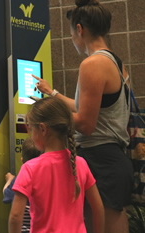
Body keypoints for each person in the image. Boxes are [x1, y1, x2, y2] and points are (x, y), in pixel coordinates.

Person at [32, 0, 134, 232]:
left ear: (80, 29)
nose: (73, 41)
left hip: (100, 159)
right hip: (112, 159)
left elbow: (86, 124)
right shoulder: (116, 62)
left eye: (71, 35)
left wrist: (48, 120)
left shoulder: (92, 64)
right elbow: (87, 109)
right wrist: (52, 94)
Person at [9, 97, 104, 233]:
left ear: (42, 129)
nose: (30, 134)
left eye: (30, 128)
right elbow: (98, 208)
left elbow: (15, 216)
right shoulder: (81, 163)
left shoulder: (30, 168)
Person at [3, 137, 41, 232]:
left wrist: (9, 179)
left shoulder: (18, 181)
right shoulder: (46, 180)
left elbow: (6, 193)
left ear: (22, 160)